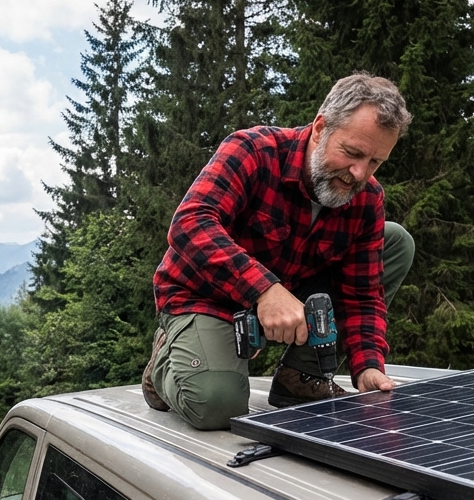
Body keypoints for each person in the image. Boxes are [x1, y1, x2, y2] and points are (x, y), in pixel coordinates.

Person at [143, 72, 414, 430]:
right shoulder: (253, 151)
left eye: (375, 161)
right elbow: (190, 224)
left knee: (395, 241)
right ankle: (163, 363)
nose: (359, 173)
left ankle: (302, 376)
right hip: (206, 298)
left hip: (288, 299)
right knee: (217, 406)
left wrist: (367, 366)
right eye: (352, 153)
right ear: (320, 128)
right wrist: (265, 290)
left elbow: (361, 295)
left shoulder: (367, 199)